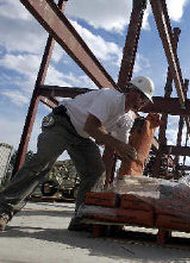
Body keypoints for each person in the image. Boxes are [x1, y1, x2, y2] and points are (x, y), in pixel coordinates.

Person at [0, 76, 155, 232]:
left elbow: (121, 147)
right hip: (63, 123)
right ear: (130, 90)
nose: (142, 101)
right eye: (140, 95)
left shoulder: (127, 119)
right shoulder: (109, 97)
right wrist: (118, 144)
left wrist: (136, 157)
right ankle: (3, 210)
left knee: (95, 171)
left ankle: (82, 217)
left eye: (145, 100)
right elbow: (91, 126)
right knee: (42, 162)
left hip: (81, 136)